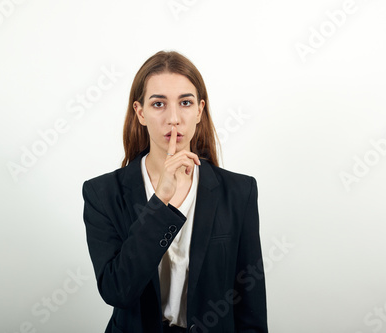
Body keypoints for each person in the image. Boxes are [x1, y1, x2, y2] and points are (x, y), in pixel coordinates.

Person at [82, 50, 268, 333]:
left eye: (185, 102)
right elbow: (117, 291)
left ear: (199, 110)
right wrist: (161, 202)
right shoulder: (102, 193)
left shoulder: (239, 192)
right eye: (158, 104)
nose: (174, 118)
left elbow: (249, 299)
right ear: (140, 113)